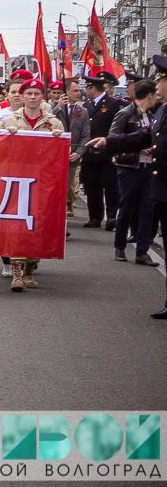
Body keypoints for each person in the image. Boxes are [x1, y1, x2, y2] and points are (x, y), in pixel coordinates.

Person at [86, 54, 167, 319]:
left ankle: (141, 250)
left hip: (158, 179)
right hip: (147, 177)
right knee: (130, 208)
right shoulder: (163, 110)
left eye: (161, 79)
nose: (157, 85)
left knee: (143, 213)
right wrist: (108, 142)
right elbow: (144, 136)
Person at [0, 78, 66, 292]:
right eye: (28, 93)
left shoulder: (54, 123)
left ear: (42, 97)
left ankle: (30, 269)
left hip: (42, 181)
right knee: (16, 225)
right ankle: (17, 272)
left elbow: (60, 155)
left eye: (36, 93)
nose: (32, 97)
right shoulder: (10, 121)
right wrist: (6, 137)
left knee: (37, 224)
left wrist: (58, 140)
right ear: (21, 96)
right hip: (16, 180)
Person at [108, 78, 160, 266]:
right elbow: (114, 138)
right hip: (129, 167)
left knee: (147, 211)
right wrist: (138, 149)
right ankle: (119, 246)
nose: (157, 98)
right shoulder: (125, 113)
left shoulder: (153, 115)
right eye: (155, 95)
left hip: (148, 168)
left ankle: (142, 252)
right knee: (127, 208)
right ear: (149, 95)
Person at [80, 70, 123, 230]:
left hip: (107, 152)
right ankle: (95, 217)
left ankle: (112, 217)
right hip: (90, 153)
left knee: (110, 187)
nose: (86, 91)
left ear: (93, 88)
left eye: (87, 88)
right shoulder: (86, 106)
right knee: (92, 186)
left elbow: (118, 128)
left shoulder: (113, 104)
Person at [53, 78, 90, 218]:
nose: (78, 93)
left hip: (72, 155)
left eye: (79, 90)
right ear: (66, 92)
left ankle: (64, 212)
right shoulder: (53, 107)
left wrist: (79, 152)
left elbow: (86, 135)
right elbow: (47, 121)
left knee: (67, 186)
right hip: (55, 155)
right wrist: (58, 108)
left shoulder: (83, 111)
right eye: (75, 90)